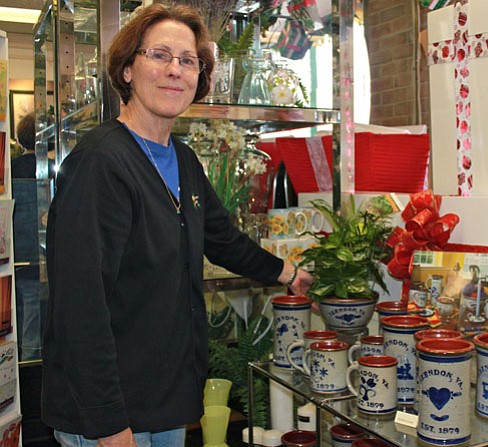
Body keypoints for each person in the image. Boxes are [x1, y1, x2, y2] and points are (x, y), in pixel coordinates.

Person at [42, 4, 313, 447]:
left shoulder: (183, 160)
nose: (175, 70)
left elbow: (220, 237)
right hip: (111, 413)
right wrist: (108, 423)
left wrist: (288, 274)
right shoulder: (99, 163)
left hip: (162, 398)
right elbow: (80, 304)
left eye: (188, 61)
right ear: (128, 68)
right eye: (159, 55)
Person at [11, 112, 50, 361]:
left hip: (13, 255)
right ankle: (30, 366)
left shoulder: (10, 170)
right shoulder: (48, 170)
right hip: (37, 258)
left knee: (17, 316)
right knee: (34, 323)